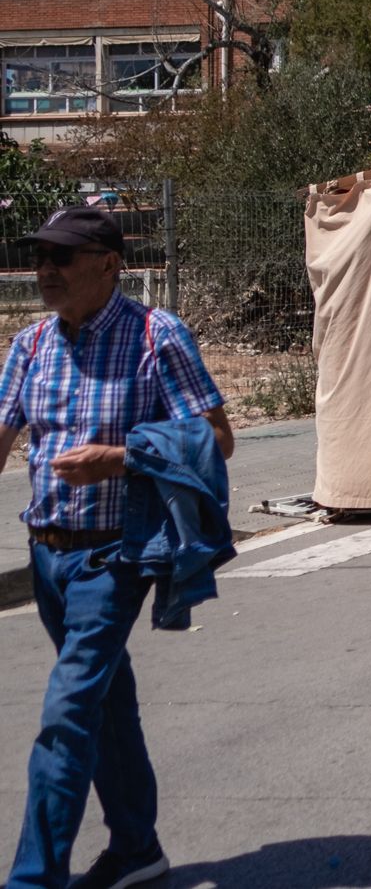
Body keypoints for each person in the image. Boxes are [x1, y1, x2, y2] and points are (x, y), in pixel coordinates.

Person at [0, 206, 233, 889]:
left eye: (62, 257)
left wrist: (121, 456)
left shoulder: (154, 336)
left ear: (108, 263)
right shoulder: (31, 344)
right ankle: (137, 848)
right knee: (104, 703)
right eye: (39, 255)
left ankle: (32, 878)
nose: (46, 270)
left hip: (114, 554)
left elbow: (215, 439)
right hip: (46, 553)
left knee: (68, 714)